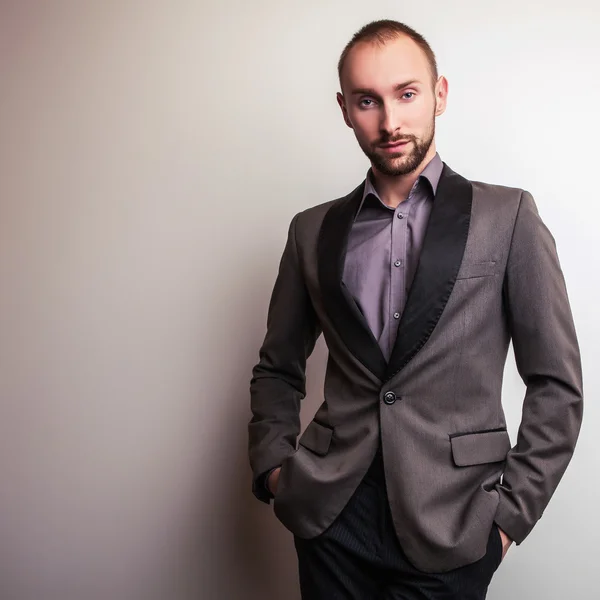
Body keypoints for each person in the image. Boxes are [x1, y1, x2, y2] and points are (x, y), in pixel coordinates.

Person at [247, 19, 583, 599]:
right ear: (345, 109)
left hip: (453, 524)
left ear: (439, 94)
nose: (391, 121)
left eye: (406, 94)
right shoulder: (311, 231)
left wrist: (506, 522)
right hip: (332, 516)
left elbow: (557, 385)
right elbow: (278, 368)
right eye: (367, 101)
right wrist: (277, 470)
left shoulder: (508, 219)